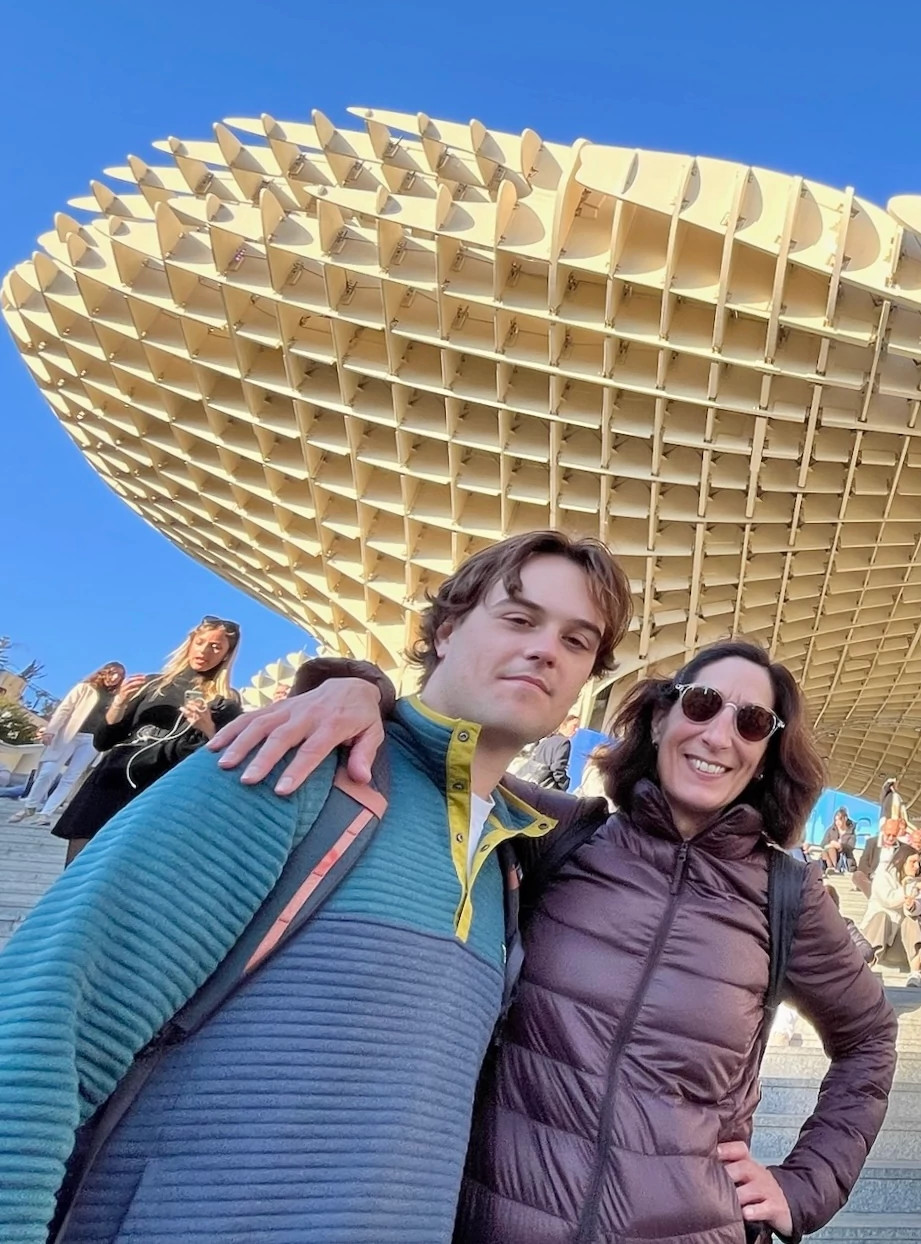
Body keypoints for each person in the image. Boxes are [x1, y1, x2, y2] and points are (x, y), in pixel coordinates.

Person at [0, 531, 627, 1243]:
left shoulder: (510, 866)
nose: (547, 649)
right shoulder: (290, 770)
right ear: (447, 630)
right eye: (518, 619)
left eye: (578, 641)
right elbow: (41, 1029)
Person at [212, 632, 899, 1242]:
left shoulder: (787, 895)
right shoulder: (560, 834)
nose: (720, 735)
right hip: (496, 1216)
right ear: (659, 718)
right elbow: (444, 751)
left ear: (767, 752)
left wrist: (804, 1186)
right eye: (700, 704)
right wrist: (360, 686)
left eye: (752, 722)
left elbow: (868, 1039)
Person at [52, 617, 243, 857]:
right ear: (190, 643)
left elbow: (223, 759)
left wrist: (207, 728)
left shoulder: (225, 702)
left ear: (227, 654)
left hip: (157, 791)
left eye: (216, 646)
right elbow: (102, 742)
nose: (204, 651)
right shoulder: (153, 684)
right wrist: (119, 704)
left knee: (118, 870)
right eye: (200, 642)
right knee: (74, 871)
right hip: (111, 779)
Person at [8, 661, 122, 825]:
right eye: (113, 673)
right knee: (48, 772)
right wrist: (50, 731)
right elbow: (64, 709)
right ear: (104, 672)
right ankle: (30, 806)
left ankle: (46, 813)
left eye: (120, 676)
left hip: (91, 740)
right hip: (70, 734)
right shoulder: (85, 688)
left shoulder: (116, 698)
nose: (115, 678)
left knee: (70, 777)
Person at [863, 843, 921, 987]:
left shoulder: (915, 883)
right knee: (882, 917)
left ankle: (916, 972)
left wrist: (912, 907)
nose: (917, 866)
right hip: (877, 938)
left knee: (912, 920)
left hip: (899, 945)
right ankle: (865, 966)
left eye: (918, 862)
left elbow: (920, 905)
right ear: (900, 862)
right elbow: (889, 900)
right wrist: (915, 886)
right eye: (913, 862)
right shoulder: (883, 877)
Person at [508, 710, 579, 790]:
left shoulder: (547, 740)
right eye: (574, 726)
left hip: (532, 782)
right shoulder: (564, 743)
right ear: (563, 725)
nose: (576, 730)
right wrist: (563, 785)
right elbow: (558, 769)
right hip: (546, 786)